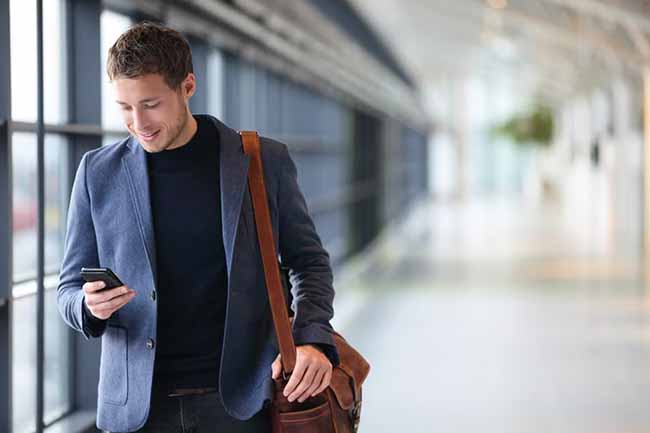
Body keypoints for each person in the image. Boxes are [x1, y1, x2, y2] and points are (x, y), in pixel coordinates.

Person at [56, 21, 339, 433]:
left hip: (241, 404)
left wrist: (312, 336)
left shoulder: (260, 161)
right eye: (124, 107)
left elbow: (309, 262)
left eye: (151, 104)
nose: (138, 122)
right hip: (139, 410)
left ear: (187, 86)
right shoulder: (97, 173)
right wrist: (87, 307)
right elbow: (67, 290)